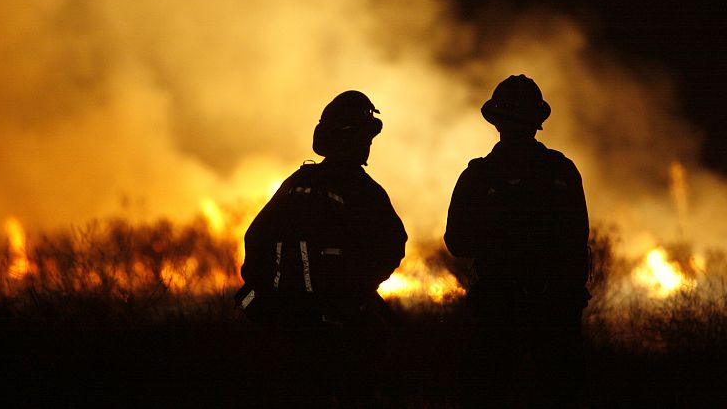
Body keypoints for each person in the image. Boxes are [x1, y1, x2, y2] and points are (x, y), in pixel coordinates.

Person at [236, 90, 407, 405]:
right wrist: (357, 291)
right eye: (365, 136)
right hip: (345, 331)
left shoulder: (294, 183)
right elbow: (393, 245)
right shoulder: (363, 190)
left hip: (287, 330)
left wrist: (273, 301)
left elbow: (255, 240)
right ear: (350, 138)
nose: (369, 143)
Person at [444, 75, 591, 408]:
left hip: (498, 309)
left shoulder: (478, 176)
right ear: (537, 121)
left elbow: (457, 242)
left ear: (496, 122)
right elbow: (578, 239)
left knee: (479, 393)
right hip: (555, 311)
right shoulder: (562, 171)